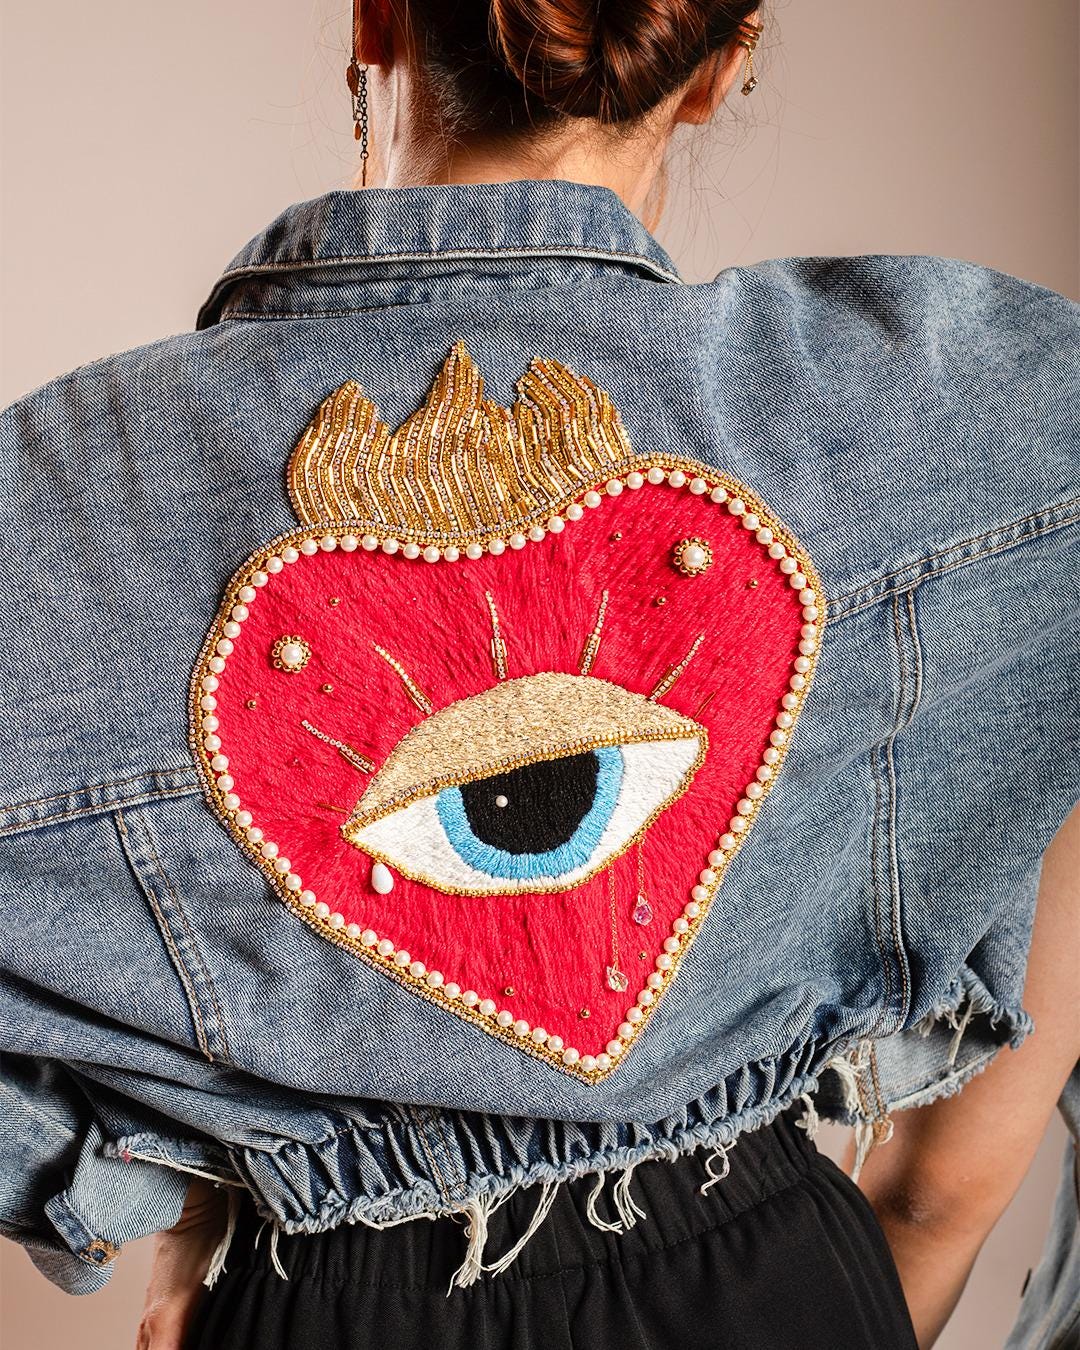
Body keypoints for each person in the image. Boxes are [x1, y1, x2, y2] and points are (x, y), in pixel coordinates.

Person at [0, 3, 1077, 1348]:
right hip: (781, 1277)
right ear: (720, 62)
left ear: (374, 19)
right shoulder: (960, 395)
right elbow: (957, 1160)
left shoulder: (50, 505)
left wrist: (194, 1176)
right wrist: (912, 1234)